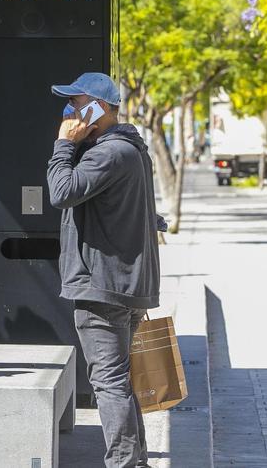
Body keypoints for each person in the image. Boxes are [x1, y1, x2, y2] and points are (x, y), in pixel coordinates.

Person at [47, 72, 161, 468]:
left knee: (109, 385)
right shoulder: (132, 151)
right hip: (122, 286)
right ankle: (136, 462)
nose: (69, 112)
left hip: (102, 288)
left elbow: (61, 192)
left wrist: (63, 145)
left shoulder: (107, 153)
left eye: (76, 103)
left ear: (97, 108)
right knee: (121, 383)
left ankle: (125, 463)